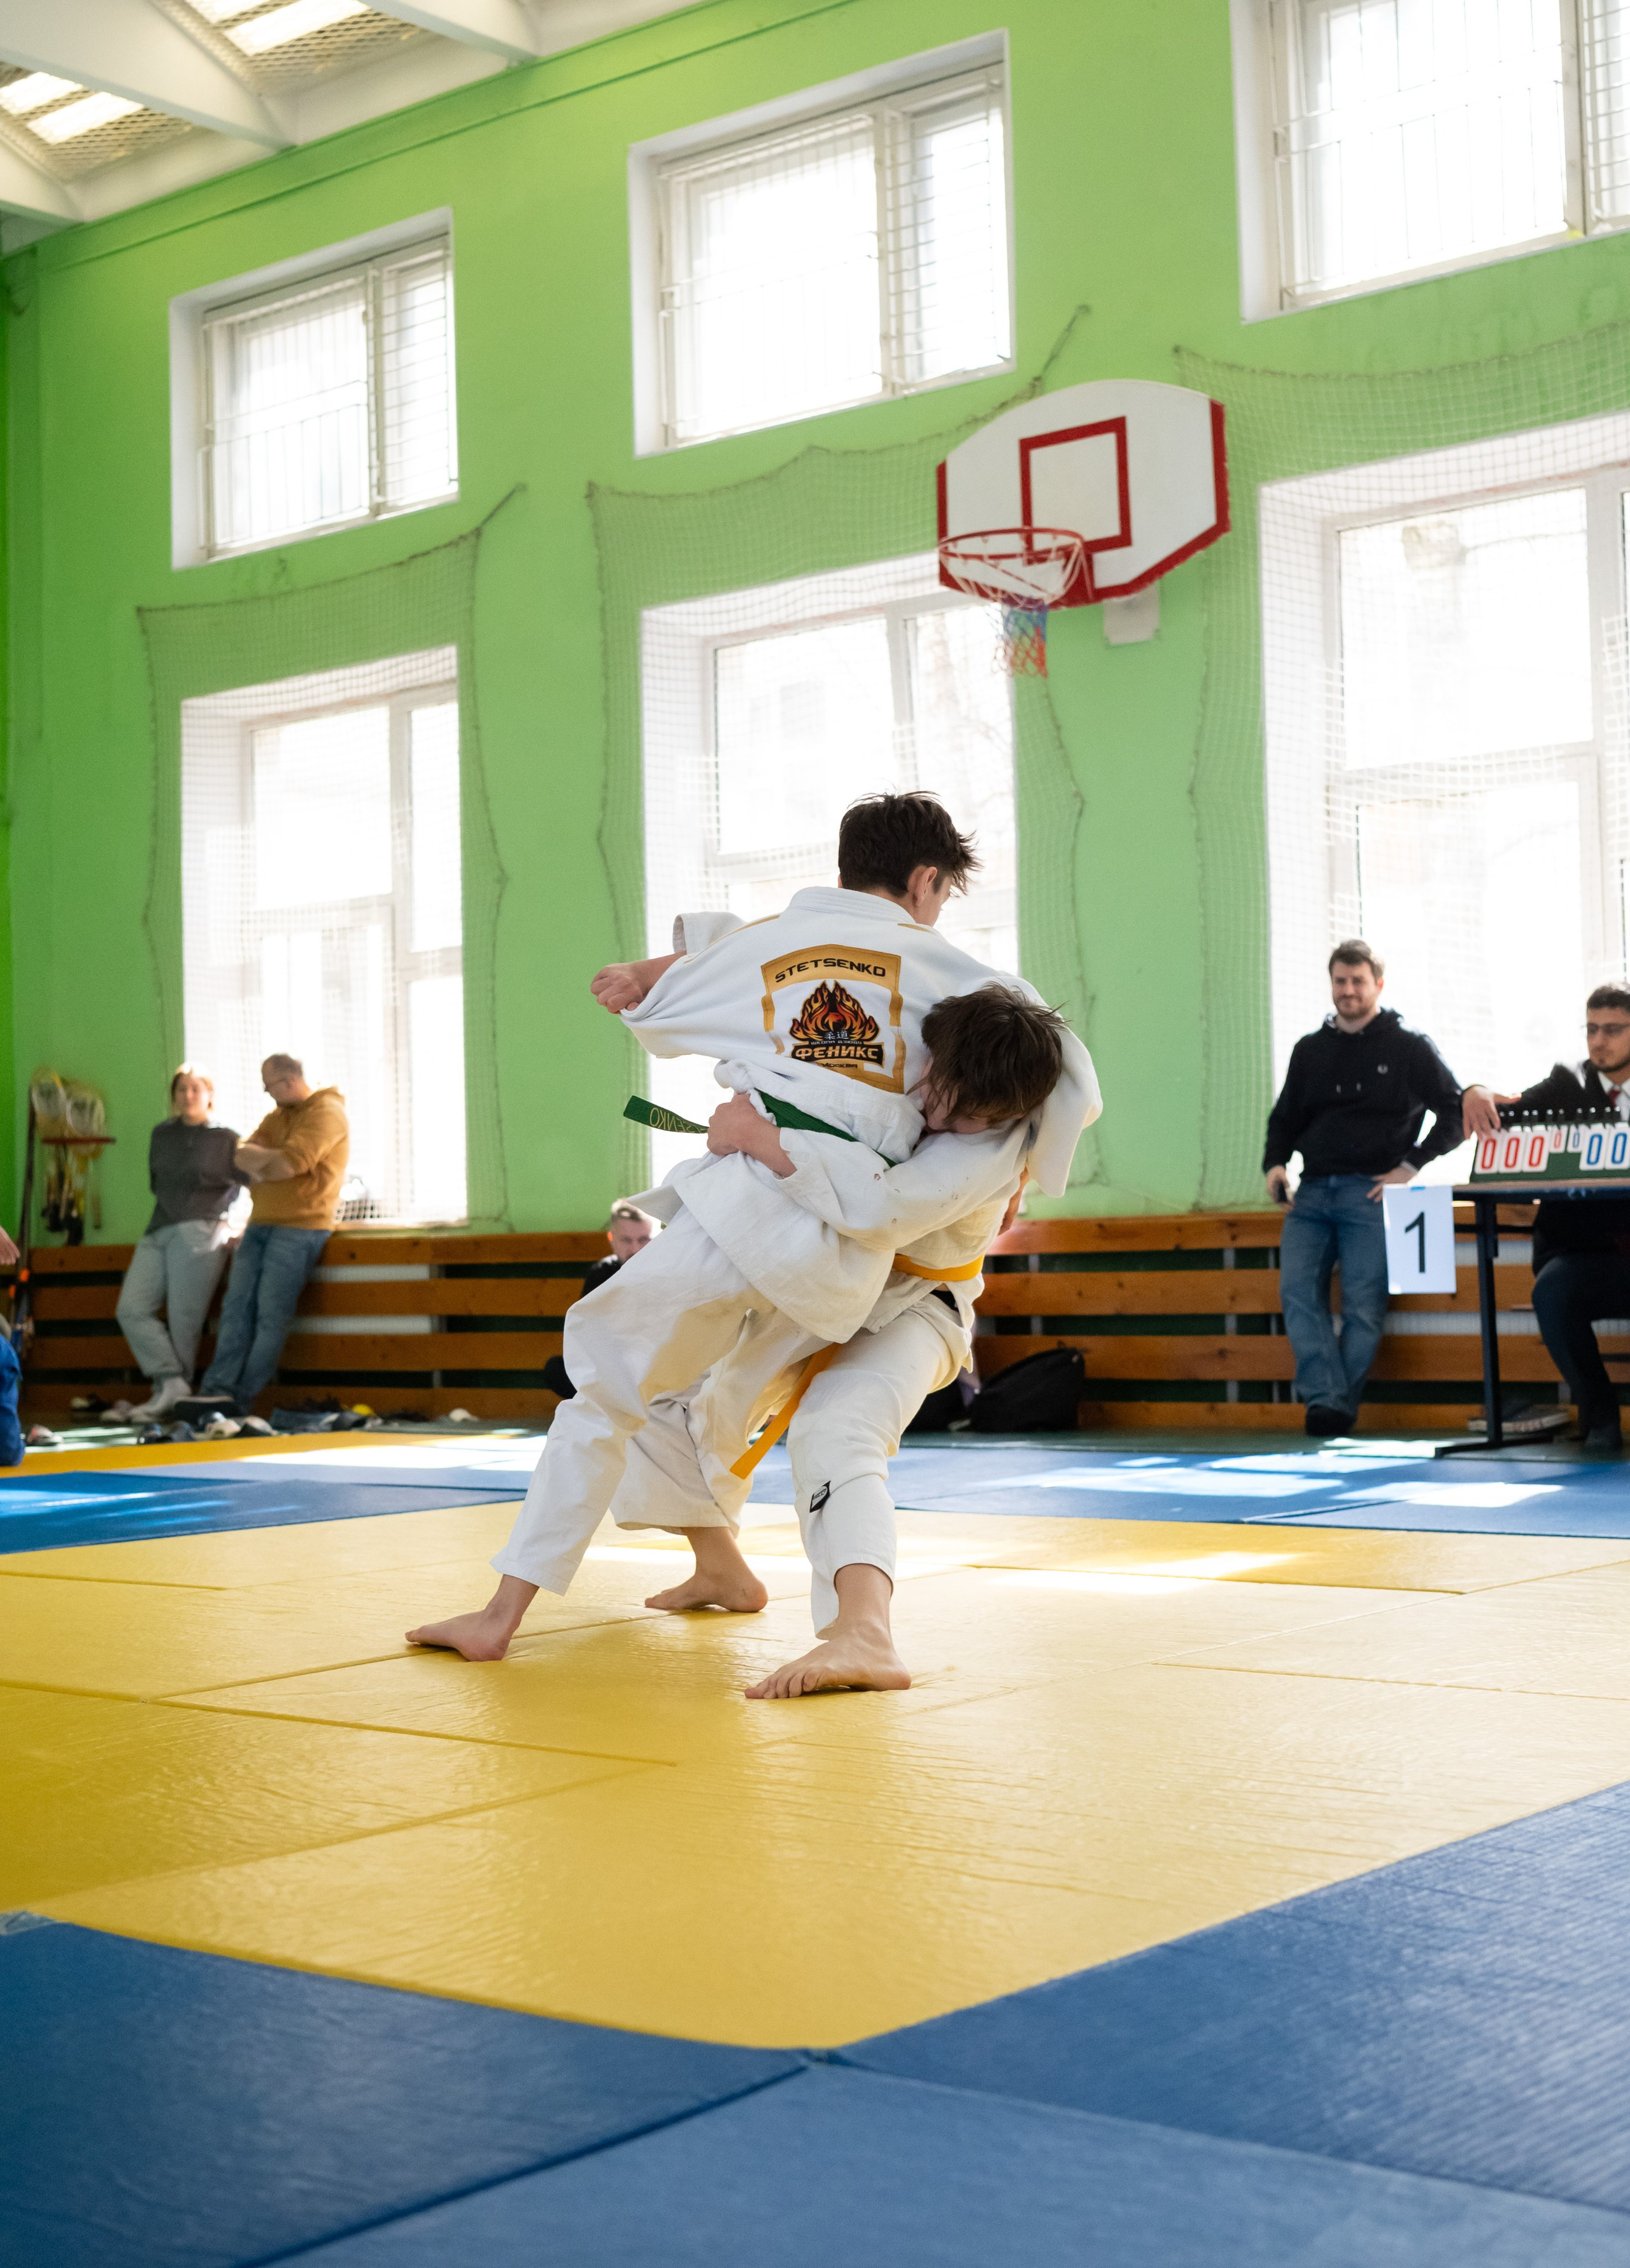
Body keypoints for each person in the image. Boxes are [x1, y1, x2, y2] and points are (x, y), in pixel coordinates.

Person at [407, 792, 1098, 1663]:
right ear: (927, 880)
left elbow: (669, 1002)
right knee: (675, 1402)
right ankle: (722, 1567)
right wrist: (1052, 1151)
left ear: (846, 866)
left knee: (610, 1383)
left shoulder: (780, 946)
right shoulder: (960, 980)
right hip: (837, 1277)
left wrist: (668, 989)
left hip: (807, 1241)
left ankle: (500, 1615)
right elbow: (1070, 1064)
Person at [1263, 940, 1498, 1438]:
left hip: (1372, 1194)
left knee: (1364, 1306)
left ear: (1378, 986)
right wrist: (1275, 1164)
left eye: (1358, 981)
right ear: (1331, 985)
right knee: (1296, 1293)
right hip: (1312, 1194)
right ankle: (1332, 1401)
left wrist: (1411, 1167)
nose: (1348, 991)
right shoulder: (1310, 1050)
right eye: (1340, 981)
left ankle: (1329, 1406)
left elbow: (1455, 1112)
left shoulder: (1410, 1046)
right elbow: (1285, 1117)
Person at [1482, 985, 1630, 1449]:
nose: (1599, 1041)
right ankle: (1601, 1417)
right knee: (1553, 1291)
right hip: (1586, 1257)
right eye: (1591, 1030)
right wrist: (1476, 1092)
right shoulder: (1567, 1082)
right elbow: (1508, 1112)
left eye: (1612, 1030)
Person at [187, 1056, 349, 1419]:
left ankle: (241, 1399)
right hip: (259, 1224)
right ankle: (219, 1390)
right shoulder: (276, 1118)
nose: (266, 1092)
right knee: (236, 1308)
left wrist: (271, 1164)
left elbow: (292, 1164)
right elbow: (241, 1156)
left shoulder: (327, 1113)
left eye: (270, 1085)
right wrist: (270, 1162)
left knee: (270, 1315)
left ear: (290, 1081)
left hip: (301, 1227)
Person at [111, 1063, 246, 1422]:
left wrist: (239, 1225)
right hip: (159, 1228)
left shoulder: (227, 1138)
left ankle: (171, 1394)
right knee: (131, 1308)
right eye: (181, 1089)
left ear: (210, 1095)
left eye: (196, 1089)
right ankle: (171, 1383)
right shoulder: (161, 1134)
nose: (188, 1096)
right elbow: (158, 1183)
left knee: (184, 1319)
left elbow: (252, 1183)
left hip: (202, 1231)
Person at [541, 1203, 658, 1401]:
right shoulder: (602, 1274)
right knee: (556, 1369)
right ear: (612, 1240)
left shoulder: (666, 1272)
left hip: (654, 1361)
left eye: (643, 1239)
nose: (635, 1248)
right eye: (626, 1240)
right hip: (612, 1364)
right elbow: (585, 1331)